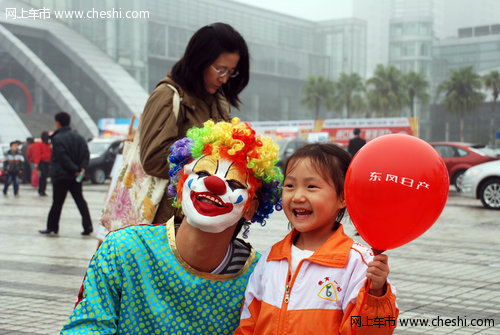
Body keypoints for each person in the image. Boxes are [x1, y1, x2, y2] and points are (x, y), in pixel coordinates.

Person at [61, 119, 283, 334]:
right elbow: (88, 326)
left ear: (251, 208)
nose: (213, 184)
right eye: (203, 173)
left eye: (234, 183)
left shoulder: (260, 275)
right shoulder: (123, 249)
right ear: (180, 184)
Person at [235, 143, 399, 334]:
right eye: (290, 185)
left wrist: (376, 295)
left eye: (311, 186)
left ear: (343, 197)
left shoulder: (357, 263)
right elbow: (249, 321)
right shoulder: (271, 258)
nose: (297, 196)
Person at [139, 22, 250, 225]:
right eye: (220, 69)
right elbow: (152, 160)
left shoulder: (218, 100)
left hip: (206, 214)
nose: (224, 79)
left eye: (231, 72)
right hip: (171, 220)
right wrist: (205, 160)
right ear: (199, 61)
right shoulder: (168, 95)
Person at [39, 112, 93, 236]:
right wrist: (81, 169)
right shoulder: (79, 137)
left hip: (61, 176)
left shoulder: (57, 139)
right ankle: (88, 226)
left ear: (57, 122)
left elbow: (62, 158)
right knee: (80, 201)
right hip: (76, 177)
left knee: (57, 203)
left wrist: (75, 170)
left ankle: (52, 227)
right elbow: (86, 154)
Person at [32, 131, 52, 196]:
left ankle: (42, 190)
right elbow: (38, 154)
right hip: (43, 163)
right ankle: (41, 190)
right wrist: (36, 163)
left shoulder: (47, 145)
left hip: (44, 163)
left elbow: (37, 154)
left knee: (44, 177)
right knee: (43, 177)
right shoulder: (44, 144)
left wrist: (36, 163)